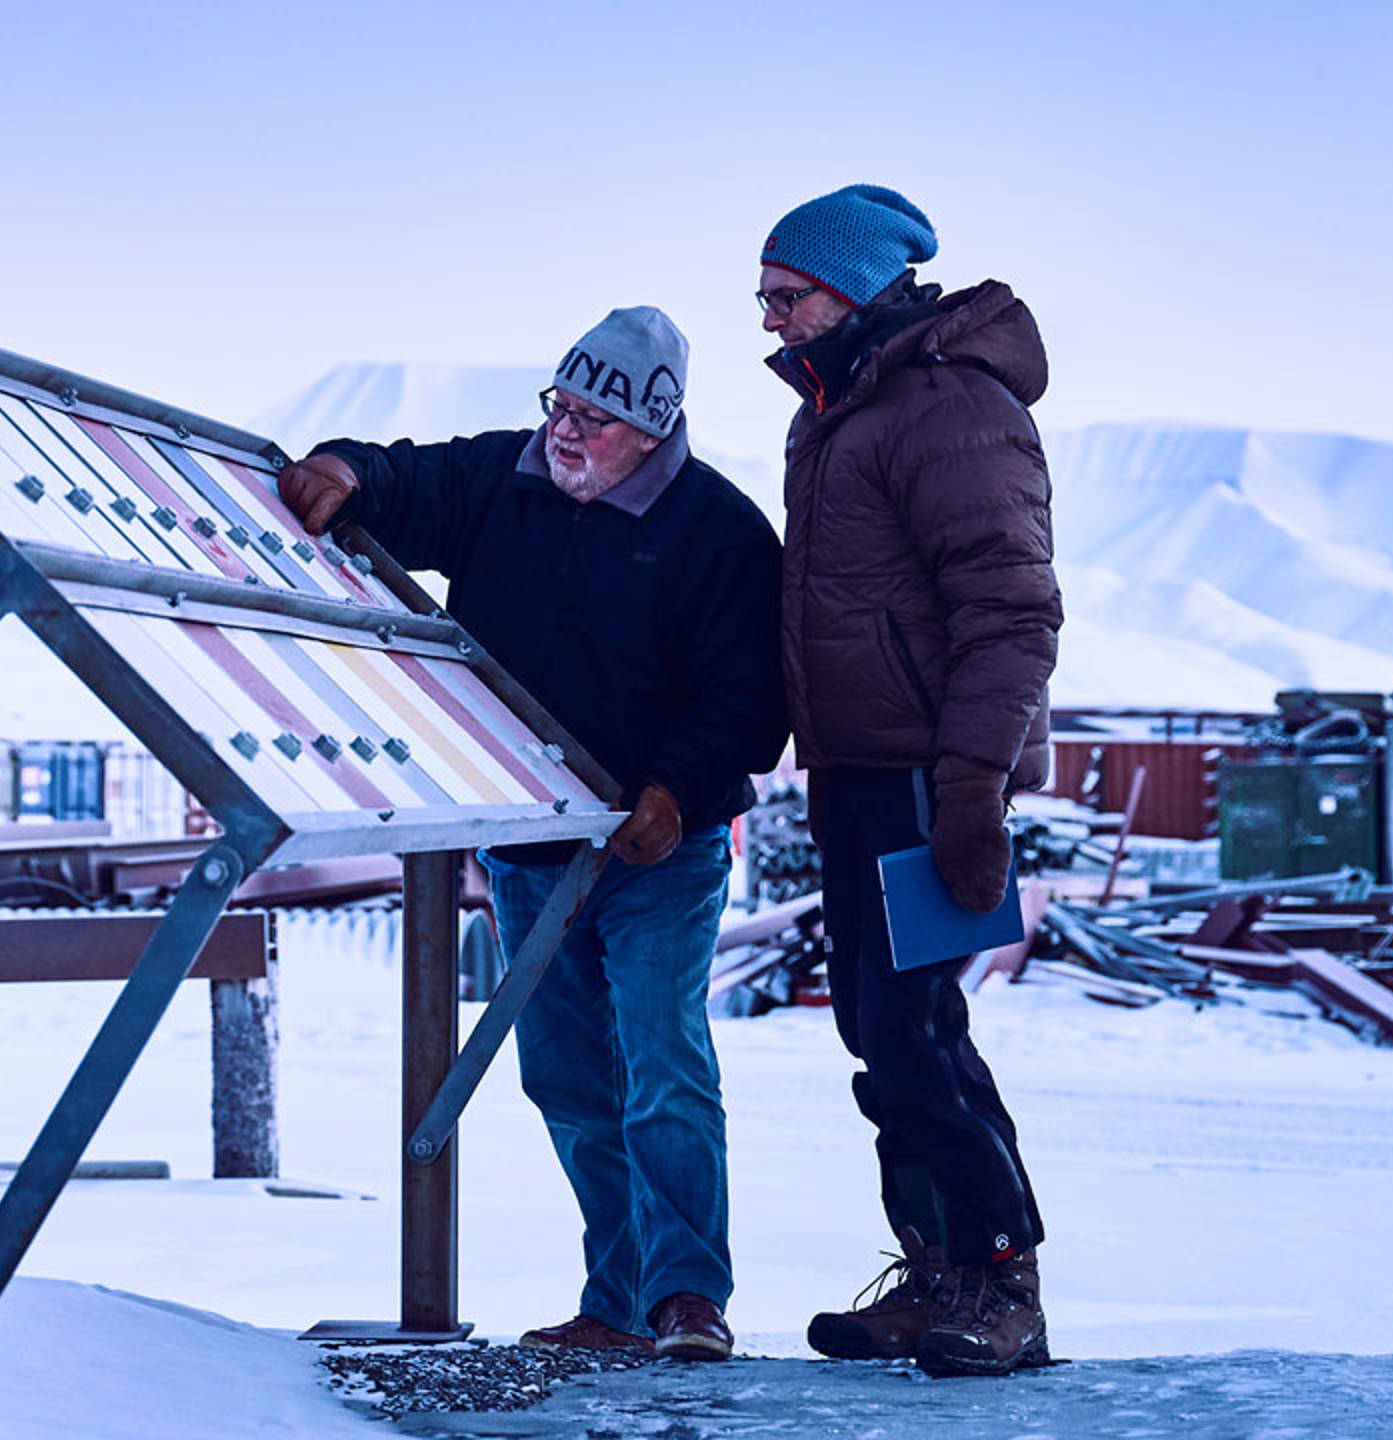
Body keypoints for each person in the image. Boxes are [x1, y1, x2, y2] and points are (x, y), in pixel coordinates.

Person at [276, 307, 785, 1362]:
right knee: (563, 1073)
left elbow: (748, 698)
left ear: (651, 426)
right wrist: (341, 468)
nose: (566, 430)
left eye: (594, 416)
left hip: (660, 848)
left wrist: (675, 793)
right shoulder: (499, 481)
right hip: (529, 845)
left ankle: (688, 1296)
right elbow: (402, 479)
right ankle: (617, 1296)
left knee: (661, 1062)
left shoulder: (719, 531)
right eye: (559, 403)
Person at [755, 184, 1063, 1378]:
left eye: (788, 295)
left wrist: (975, 786)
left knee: (918, 1034)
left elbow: (1011, 607)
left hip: (931, 778)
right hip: (859, 771)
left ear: (857, 286)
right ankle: (935, 1267)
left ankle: (1001, 1282)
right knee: (883, 1034)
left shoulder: (946, 406)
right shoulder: (842, 411)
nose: (770, 319)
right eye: (765, 296)